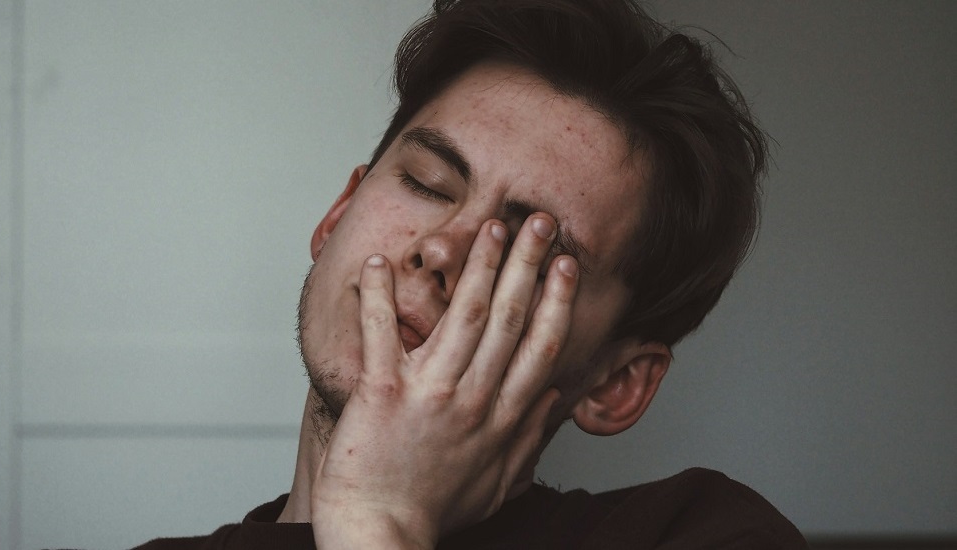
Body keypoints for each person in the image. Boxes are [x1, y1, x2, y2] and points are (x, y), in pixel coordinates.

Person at [136, 0, 806, 548]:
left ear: (617, 382)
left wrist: (378, 521)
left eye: (527, 253)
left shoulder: (705, 533)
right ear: (337, 214)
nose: (441, 250)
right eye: (427, 184)